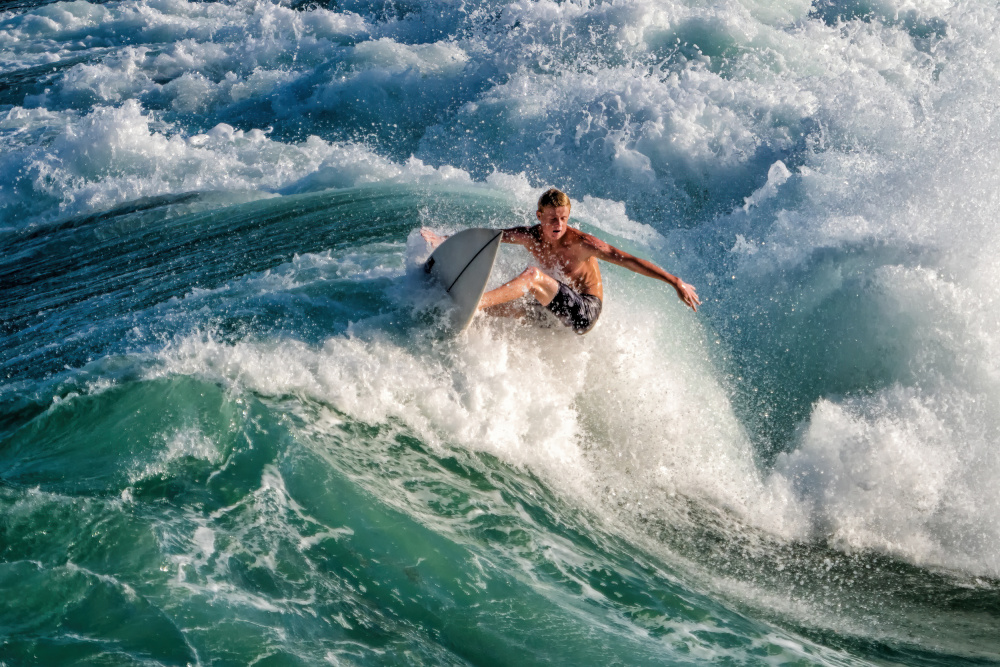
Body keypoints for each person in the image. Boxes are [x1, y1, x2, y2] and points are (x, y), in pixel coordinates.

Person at [422, 188, 700, 334]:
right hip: (556, 310)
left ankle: (477, 302)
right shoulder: (529, 236)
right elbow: (492, 239)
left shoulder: (583, 243)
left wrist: (674, 281)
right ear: (539, 216)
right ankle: (462, 318)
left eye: (564, 218)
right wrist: (443, 239)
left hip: (585, 311)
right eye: (553, 218)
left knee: (531, 276)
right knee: (507, 310)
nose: (559, 224)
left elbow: (628, 260)